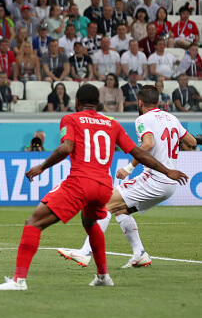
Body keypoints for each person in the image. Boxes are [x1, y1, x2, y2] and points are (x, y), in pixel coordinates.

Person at [0, 84, 188, 291]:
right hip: (103, 186)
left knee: (33, 222)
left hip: (79, 183)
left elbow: (67, 147)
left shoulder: (71, 119)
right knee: (91, 222)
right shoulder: (112, 124)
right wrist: (167, 171)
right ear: (99, 103)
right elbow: (139, 152)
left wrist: (42, 166)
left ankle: (18, 280)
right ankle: (103, 276)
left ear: (76, 102)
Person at [57, 86, 197, 269]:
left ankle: (85, 253)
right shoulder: (172, 118)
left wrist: (129, 167)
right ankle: (139, 254)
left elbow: (148, 144)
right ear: (157, 101)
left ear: (139, 102)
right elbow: (192, 142)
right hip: (169, 182)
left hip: (155, 179)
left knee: (104, 205)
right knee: (120, 210)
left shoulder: (143, 119)